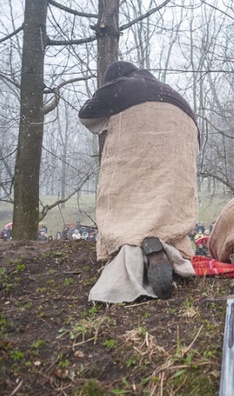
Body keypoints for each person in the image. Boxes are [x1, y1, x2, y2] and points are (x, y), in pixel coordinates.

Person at [78, 61, 199, 303]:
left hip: (142, 129)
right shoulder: (172, 92)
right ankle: (168, 250)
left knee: (129, 193)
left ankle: (134, 247)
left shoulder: (120, 85)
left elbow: (87, 115)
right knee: (166, 199)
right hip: (185, 133)